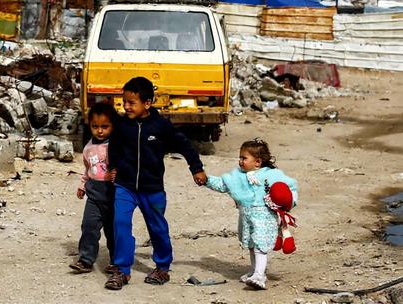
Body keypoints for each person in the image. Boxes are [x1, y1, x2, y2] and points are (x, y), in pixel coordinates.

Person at [105, 77, 208, 290]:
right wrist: (113, 167)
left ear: (147, 103)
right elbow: (114, 147)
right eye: (124, 102)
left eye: (132, 103)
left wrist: (196, 168)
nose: (126, 106)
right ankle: (122, 270)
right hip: (125, 186)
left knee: (157, 228)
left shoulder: (161, 126)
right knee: (120, 224)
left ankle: (162, 266)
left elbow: (185, 145)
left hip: (152, 189)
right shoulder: (122, 125)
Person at [204, 138, 298, 290]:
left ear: (258, 162)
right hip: (247, 216)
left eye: (244, 158)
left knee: (260, 245)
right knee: (251, 245)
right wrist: (206, 180)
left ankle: (260, 276)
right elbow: (223, 184)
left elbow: (290, 188)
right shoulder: (237, 176)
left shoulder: (272, 175)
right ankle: (254, 271)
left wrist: (289, 201)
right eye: (240, 157)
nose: (240, 161)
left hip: (264, 216)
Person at [69, 103, 118, 274]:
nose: (100, 131)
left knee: (114, 231)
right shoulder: (88, 148)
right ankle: (86, 260)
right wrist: (82, 185)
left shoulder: (116, 146)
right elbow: (88, 169)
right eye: (95, 126)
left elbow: (126, 166)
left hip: (113, 197)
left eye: (105, 126)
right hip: (94, 197)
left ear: (113, 126)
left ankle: (117, 261)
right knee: (89, 227)